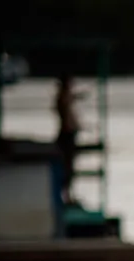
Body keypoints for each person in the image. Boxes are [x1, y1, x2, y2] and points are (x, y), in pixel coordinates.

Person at [53, 74, 82, 204]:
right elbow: (67, 117)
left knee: (69, 167)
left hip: (69, 135)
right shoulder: (63, 98)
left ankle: (67, 195)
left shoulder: (65, 98)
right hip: (67, 136)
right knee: (67, 167)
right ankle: (65, 196)